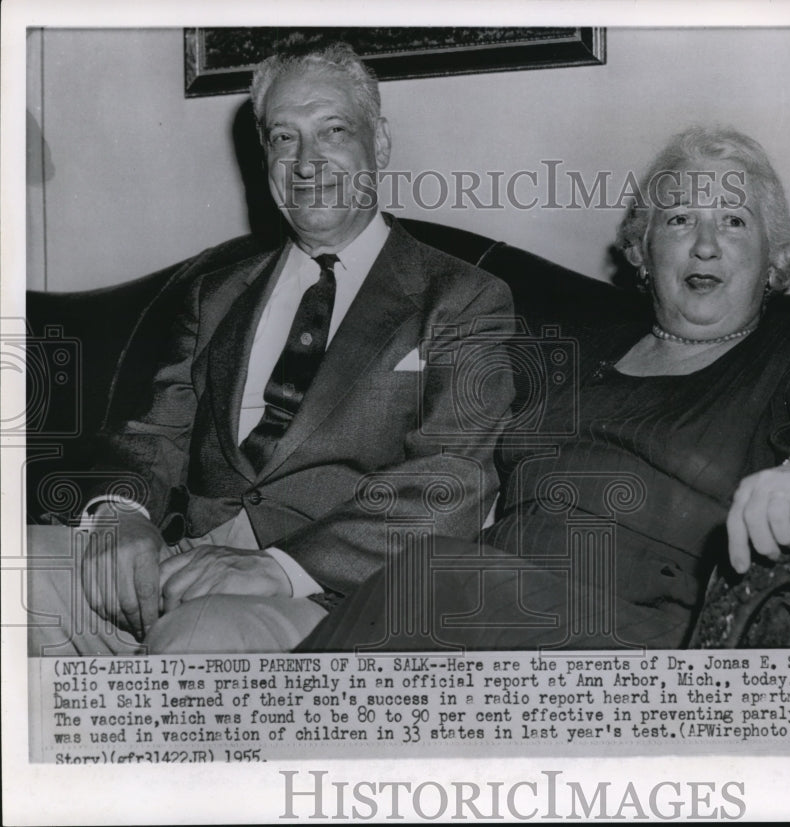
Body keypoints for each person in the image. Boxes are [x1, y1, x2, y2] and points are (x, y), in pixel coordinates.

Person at [298, 125, 790, 651]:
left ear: (774, 259)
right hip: (490, 606)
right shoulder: (582, 350)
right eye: (680, 219)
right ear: (644, 248)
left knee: (429, 580)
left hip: (643, 639)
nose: (706, 245)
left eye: (735, 222)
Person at [27, 39, 515, 655]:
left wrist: (278, 567)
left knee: (200, 640)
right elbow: (153, 435)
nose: (307, 161)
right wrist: (117, 513)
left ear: (380, 144)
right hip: (183, 560)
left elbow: (456, 477)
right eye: (283, 137)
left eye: (333, 131)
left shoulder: (463, 296)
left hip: (327, 593)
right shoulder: (216, 296)